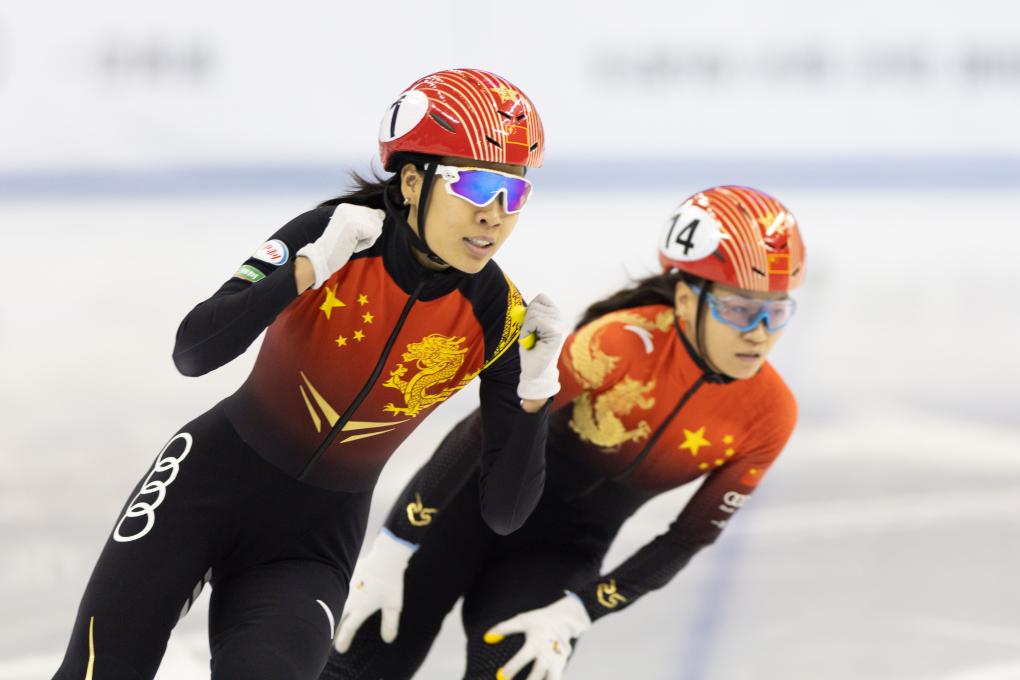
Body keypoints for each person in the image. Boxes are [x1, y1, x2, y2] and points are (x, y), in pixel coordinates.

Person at [52, 68, 565, 680]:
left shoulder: (501, 320)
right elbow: (195, 350)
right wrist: (304, 270)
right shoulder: (333, 236)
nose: (494, 216)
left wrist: (535, 397)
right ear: (410, 180)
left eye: (515, 194)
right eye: (478, 185)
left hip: (309, 549)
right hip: (202, 489)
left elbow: (505, 512)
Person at [319, 185, 806, 680]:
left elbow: (688, 536)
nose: (760, 331)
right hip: (462, 517)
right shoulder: (622, 341)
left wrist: (578, 610)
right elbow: (486, 426)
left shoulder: (770, 414)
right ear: (685, 298)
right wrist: (396, 545)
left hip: (554, 559)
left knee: (513, 672)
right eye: (740, 308)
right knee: (354, 669)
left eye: (777, 311)